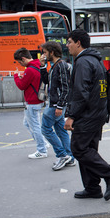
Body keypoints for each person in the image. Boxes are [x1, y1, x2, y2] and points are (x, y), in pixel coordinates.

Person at [64, 29, 110, 200]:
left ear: (78, 43)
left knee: (79, 149)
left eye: (69, 42)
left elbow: (81, 93)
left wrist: (71, 116)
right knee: (89, 149)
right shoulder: (95, 61)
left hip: (87, 115)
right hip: (98, 113)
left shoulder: (82, 62)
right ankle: (92, 188)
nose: (67, 46)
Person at [39, 41, 75, 171]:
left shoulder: (61, 66)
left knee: (45, 129)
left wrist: (60, 106)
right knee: (61, 131)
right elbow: (47, 82)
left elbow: (66, 87)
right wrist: (42, 67)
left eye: (45, 52)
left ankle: (62, 155)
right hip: (55, 104)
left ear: (52, 52)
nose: (43, 55)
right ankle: (69, 156)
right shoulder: (55, 66)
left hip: (55, 105)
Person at [13, 48, 48, 159]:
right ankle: (43, 143)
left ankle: (42, 149)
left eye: (20, 62)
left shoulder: (29, 70)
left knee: (34, 126)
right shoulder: (38, 65)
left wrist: (16, 77)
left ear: (23, 58)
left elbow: (21, 86)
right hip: (38, 100)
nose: (21, 64)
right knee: (28, 124)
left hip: (32, 101)